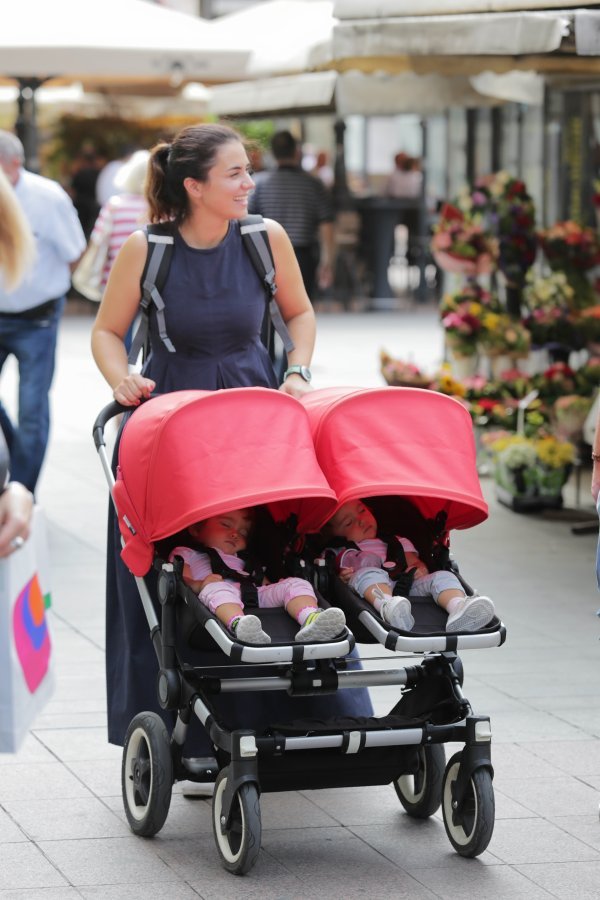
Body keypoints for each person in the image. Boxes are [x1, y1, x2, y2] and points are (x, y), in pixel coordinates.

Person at [90, 122, 372, 752]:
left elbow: (298, 312)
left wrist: (297, 370)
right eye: (236, 174)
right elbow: (108, 332)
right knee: (178, 570)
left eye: (248, 171)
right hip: (172, 426)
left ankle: (304, 710)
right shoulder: (148, 248)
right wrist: (122, 380)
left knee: (273, 553)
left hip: (253, 418)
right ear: (193, 186)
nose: (250, 183)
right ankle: (180, 728)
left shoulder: (263, 240)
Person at [0, 131, 86, 494]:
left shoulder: (46, 197)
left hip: (38, 317)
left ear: (15, 164)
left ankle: (23, 490)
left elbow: (75, 253)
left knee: (33, 406)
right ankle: (17, 465)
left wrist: (48, 290)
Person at [170, 507, 346, 644]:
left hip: (255, 593)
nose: (234, 533)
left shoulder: (247, 559)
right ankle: (238, 624)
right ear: (195, 529)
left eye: (243, 532)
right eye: (225, 524)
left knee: (295, 583)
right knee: (217, 588)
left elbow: (263, 582)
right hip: (216, 593)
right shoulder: (186, 552)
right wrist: (200, 585)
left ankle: (311, 618)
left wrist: (276, 589)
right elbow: (183, 580)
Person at [322, 499, 496, 633]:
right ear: (333, 534)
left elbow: (413, 562)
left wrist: (419, 569)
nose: (360, 521)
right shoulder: (338, 551)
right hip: (370, 592)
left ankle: (458, 607)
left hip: (408, 586)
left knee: (444, 576)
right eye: (348, 522)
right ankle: (388, 607)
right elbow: (334, 574)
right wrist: (343, 576)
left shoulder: (397, 541)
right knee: (368, 574)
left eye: (362, 511)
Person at [249, 129, 335, 302]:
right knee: (301, 311)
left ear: (272, 153)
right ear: (297, 151)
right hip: (303, 257)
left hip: (267, 255)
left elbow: (248, 223)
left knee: (269, 311)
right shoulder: (314, 184)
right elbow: (326, 224)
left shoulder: (258, 183)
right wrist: (327, 261)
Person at [88, 150, 150, 349]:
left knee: (118, 332)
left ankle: (122, 372)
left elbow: (98, 240)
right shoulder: (160, 207)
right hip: (154, 279)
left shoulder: (115, 205)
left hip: (117, 278)